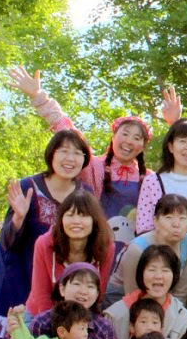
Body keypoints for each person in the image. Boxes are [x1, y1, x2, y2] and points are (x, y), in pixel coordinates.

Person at [10, 65, 153, 242]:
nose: (129, 141)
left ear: (143, 146)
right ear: (113, 137)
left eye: (137, 138)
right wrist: (38, 96)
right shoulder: (94, 167)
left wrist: (175, 122)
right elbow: (67, 131)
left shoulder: (150, 178)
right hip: (95, 246)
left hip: (135, 251)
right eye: (125, 134)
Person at [0, 130, 91, 339]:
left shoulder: (84, 193)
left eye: (77, 153)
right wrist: (19, 217)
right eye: (63, 151)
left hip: (58, 277)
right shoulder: (27, 187)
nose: (70, 158)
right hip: (20, 274)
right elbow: (7, 241)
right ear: (51, 154)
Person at [26, 189, 114, 314]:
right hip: (43, 314)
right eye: (70, 215)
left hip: (83, 315)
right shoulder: (44, 244)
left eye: (83, 215)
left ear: (94, 221)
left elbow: (98, 293)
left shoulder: (106, 247)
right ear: (61, 219)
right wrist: (53, 324)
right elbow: (42, 295)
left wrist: (82, 322)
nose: (76, 221)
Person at [134, 119, 187, 237]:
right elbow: (143, 229)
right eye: (182, 141)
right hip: (156, 248)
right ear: (170, 147)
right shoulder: (152, 182)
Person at [113, 194, 187, 305]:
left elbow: (181, 294)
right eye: (169, 217)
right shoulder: (137, 249)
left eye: (182, 218)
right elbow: (132, 295)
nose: (176, 224)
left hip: (164, 299)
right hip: (122, 298)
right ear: (156, 221)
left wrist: (173, 313)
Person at [104, 244, 187, 339]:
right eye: (152, 270)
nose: (158, 276)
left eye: (165, 270)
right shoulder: (116, 315)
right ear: (141, 274)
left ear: (174, 276)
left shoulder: (184, 319)